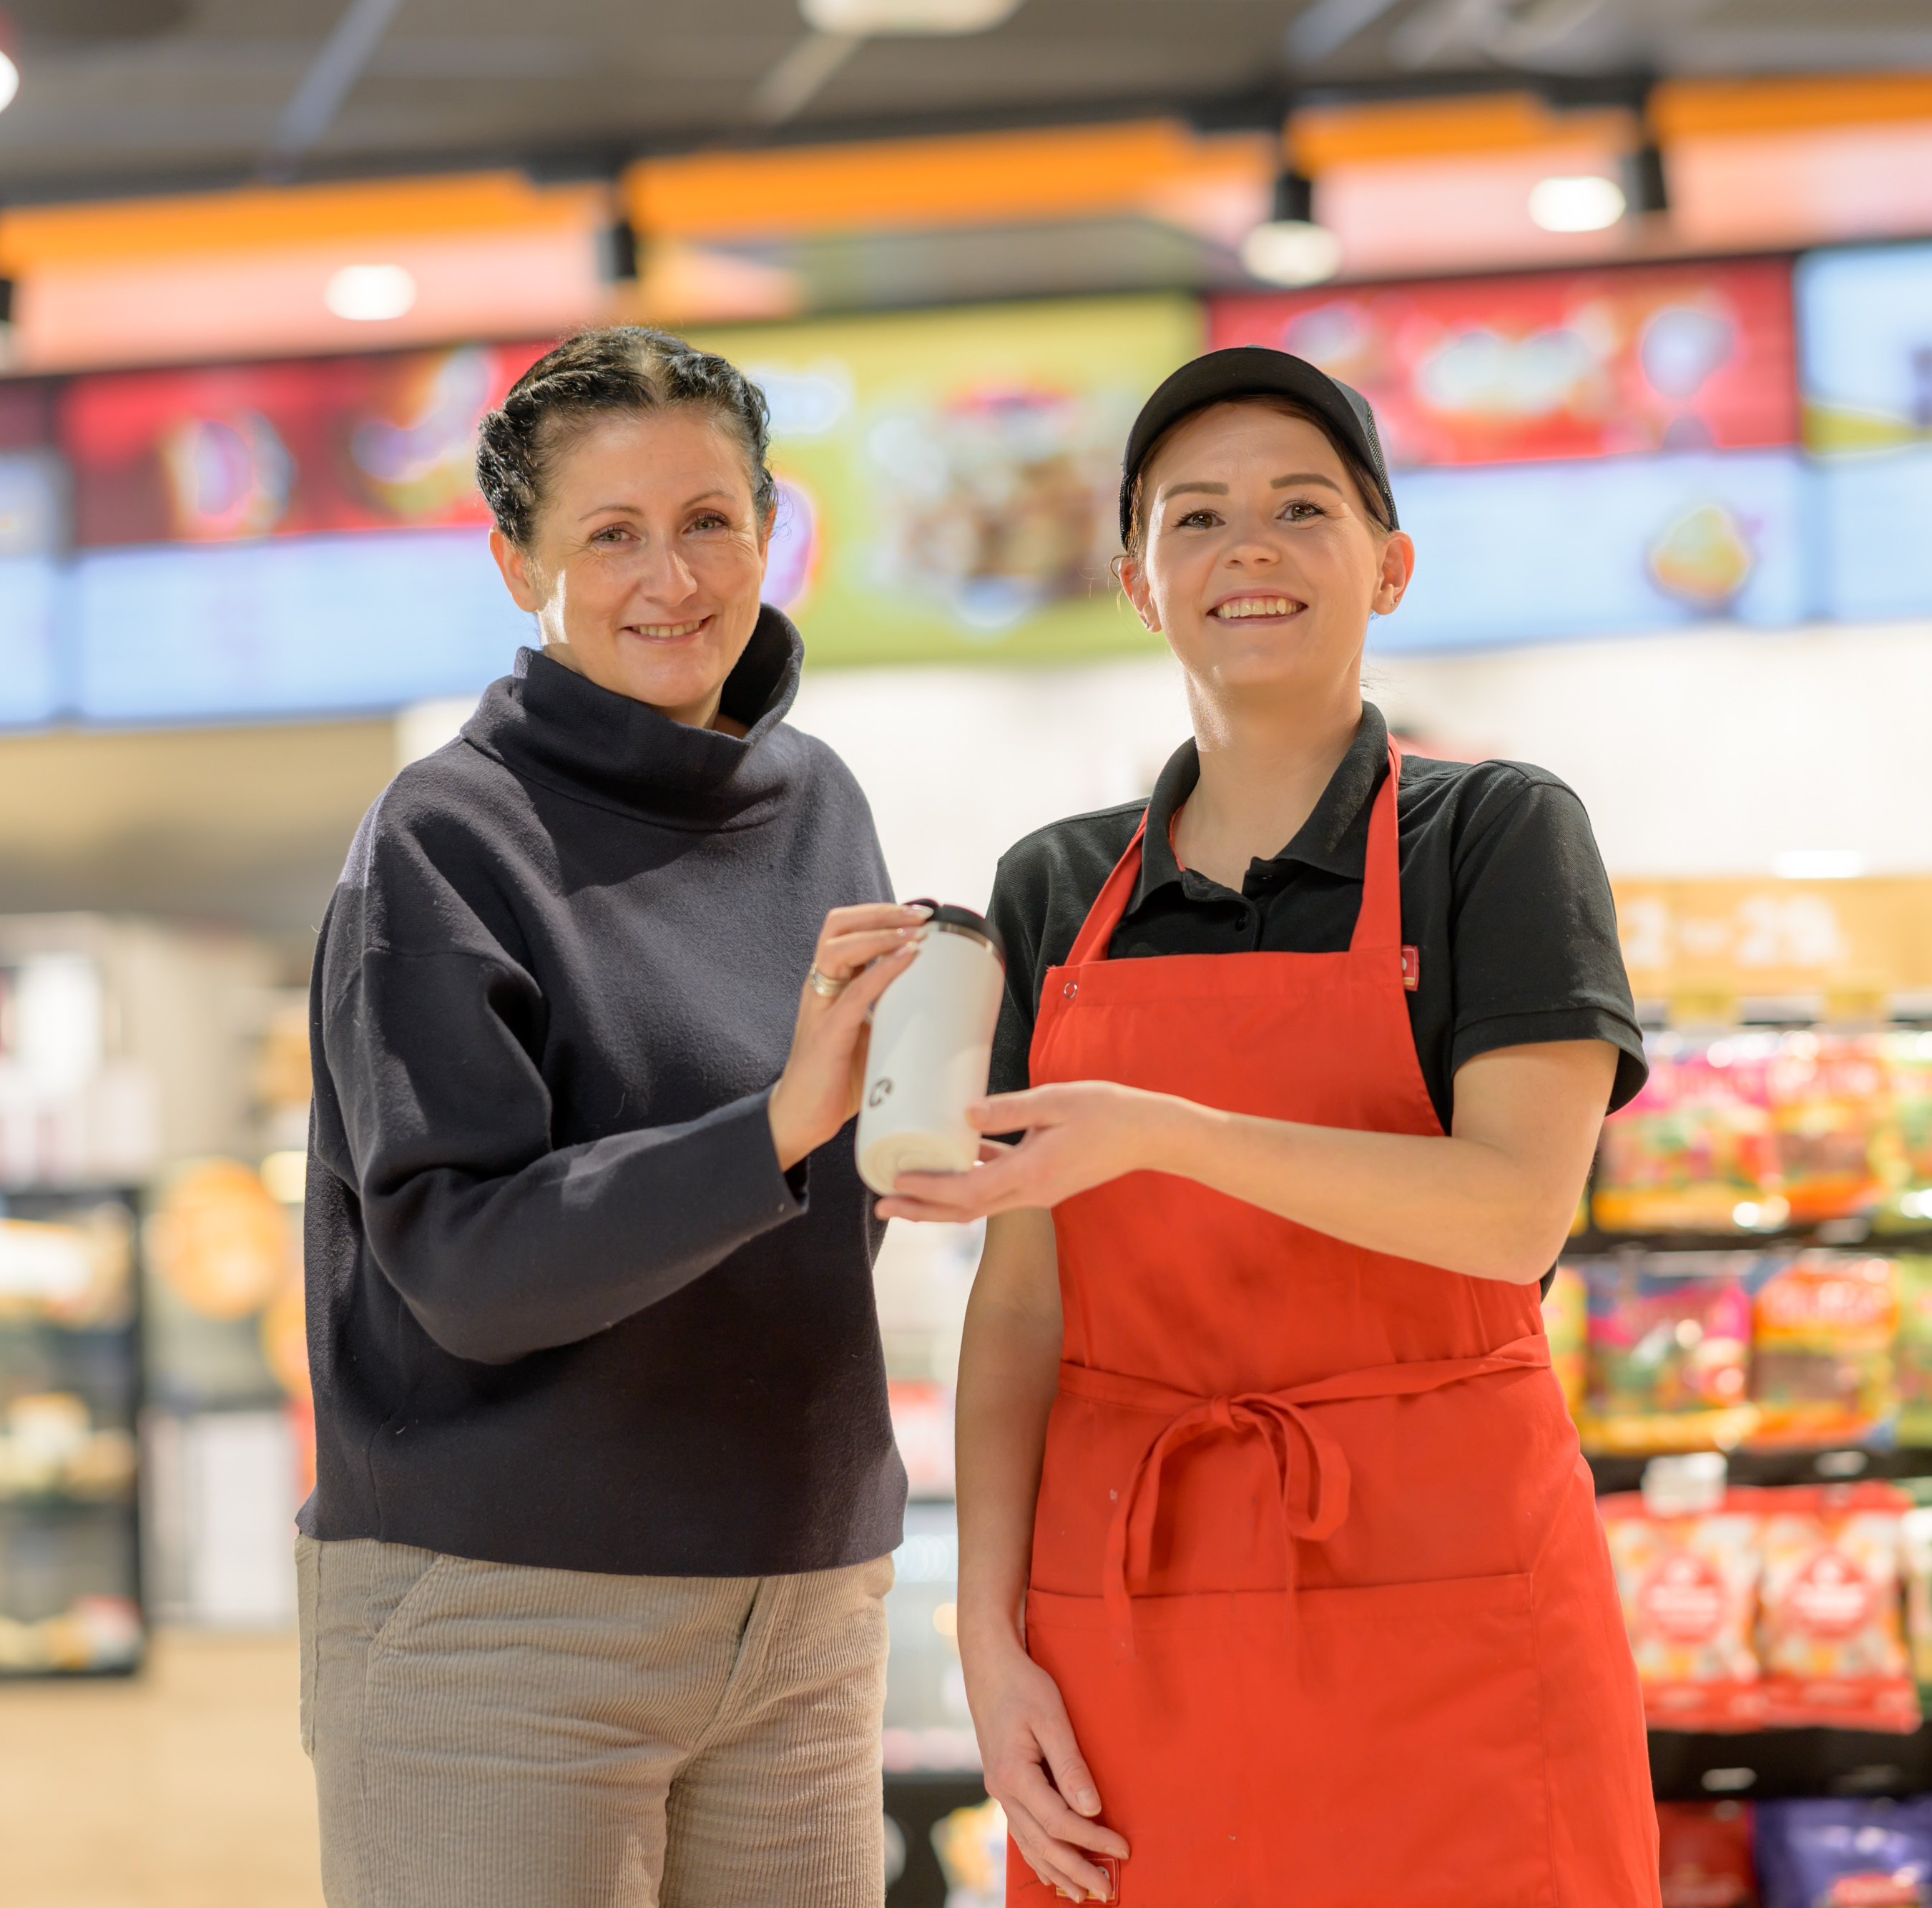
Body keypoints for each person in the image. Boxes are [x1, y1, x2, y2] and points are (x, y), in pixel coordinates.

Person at [887, 347, 1661, 1904]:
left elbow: (1512, 1211)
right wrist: (988, 1637)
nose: (1249, 547)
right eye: (1197, 517)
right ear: (1136, 581)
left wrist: (1164, 1130)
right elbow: (1023, 1303)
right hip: (1129, 1600)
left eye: (1302, 507)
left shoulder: (1496, 833)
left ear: (1390, 565)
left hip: (1453, 1600)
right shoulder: (1053, 887)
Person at [296, 326, 925, 1908]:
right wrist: (777, 1127)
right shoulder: (446, 837)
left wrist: (915, 1133)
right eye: (612, 534)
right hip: (507, 1615)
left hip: (803, 1598)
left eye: (711, 520)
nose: (674, 577)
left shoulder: (821, 801)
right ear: (519, 563)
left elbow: (816, 1180)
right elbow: (464, 1264)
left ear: (769, 528)